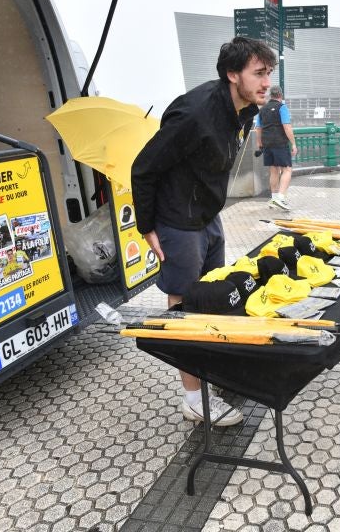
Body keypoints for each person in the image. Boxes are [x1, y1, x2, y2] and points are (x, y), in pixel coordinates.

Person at [131, 36, 276, 426]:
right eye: (258, 73)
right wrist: (147, 225)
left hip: (208, 217)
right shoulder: (195, 114)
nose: (266, 82)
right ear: (233, 74)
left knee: (215, 296)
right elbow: (144, 167)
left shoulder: (243, 109)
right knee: (185, 308)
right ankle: (193, 398)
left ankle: (217, 374)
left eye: (269, 73)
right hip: (178, 221)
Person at [255, 85, 297, 211]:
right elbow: (286, 126)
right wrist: (293, 143)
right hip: (280, 143)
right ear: (280, 95)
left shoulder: (262, 110)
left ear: (270, 95)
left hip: (267, 143)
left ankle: (273, 198)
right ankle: (281, 198)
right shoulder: (282, 107)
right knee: (287, 169)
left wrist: (259, 143)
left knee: (274, 170)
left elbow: (258, 128)